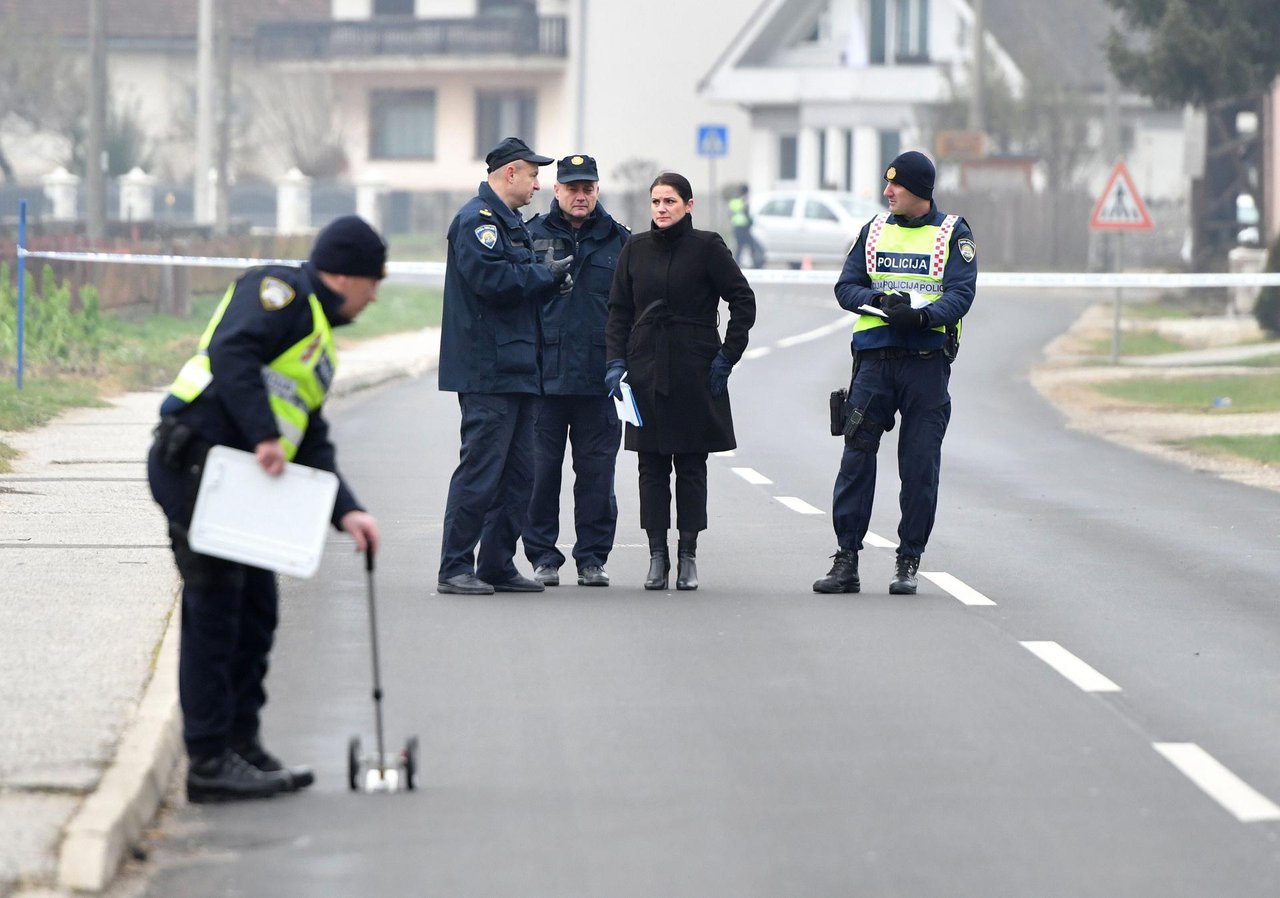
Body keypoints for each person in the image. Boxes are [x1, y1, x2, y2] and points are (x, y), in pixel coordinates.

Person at [147, 214, 385, 803]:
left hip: (238, 482)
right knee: (215, 613)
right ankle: (207, 760)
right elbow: (233, 352)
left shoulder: (318, 338)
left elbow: (308, 432)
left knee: (255, 613)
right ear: (342, 275)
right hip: (198, 464)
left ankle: (240, 744)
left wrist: (347, 511)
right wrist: (263, 437)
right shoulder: (280, 291)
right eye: (372, 281)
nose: (375, 294)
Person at [812, 150, 977, 596]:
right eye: (887, 184)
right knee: (855, 459)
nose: (887, 192)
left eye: (896, 185)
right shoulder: (873, 230)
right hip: (874, 365)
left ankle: (908, 560)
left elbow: (961, 294)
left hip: (925, 366)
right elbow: (846, 286)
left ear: (920, 190)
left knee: (919, 466)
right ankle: (846, 560)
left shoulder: (952, 234)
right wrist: (882, 303)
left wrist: (921, 318)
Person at [604, 171, 756, 591]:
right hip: (645, 366)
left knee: (691, 464)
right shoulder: (634, 249)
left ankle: (688, 554)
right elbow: (618, 311)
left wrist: (728, 356)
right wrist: (615, 364)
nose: (661, 209)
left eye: (670, 201)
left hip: (695, 367)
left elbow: (742, 299)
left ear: (689, 205)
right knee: (650, 464)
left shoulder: (707, 247)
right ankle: (657, 556)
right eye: (655, 202)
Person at [436, 136, 574, 596]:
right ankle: (455, 566)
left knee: (520, 476)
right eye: (533, 174)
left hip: (520, 367)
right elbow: (492, 281)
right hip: (488, 369)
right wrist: (543, 276)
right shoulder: (478, 221)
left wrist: (549, 282)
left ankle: (496, 563)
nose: (539, 182)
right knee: (481, 471)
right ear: (509, 173)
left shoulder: (511, 223)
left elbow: (520, 284)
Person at [523, 154, 630, 588]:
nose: (580, 195)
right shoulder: (529, 237)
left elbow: (631, 311)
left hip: (599, 380)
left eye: (587, 187)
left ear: (598, 190)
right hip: (543, 379)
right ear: (557, 191)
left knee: (597, 476)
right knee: (540, 475)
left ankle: (592, 559)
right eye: (572, 188)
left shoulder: (621, 242)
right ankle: (543, 557)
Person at [727, 183, 764, 269]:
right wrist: (751, 222)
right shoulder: (743, 201)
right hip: (743, 228)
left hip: (737, 227)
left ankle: (736, 264)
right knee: (750, 245)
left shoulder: (733, 201)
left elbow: (730, 214)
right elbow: (747, 214)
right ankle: (755, 263)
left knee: (740, 246)